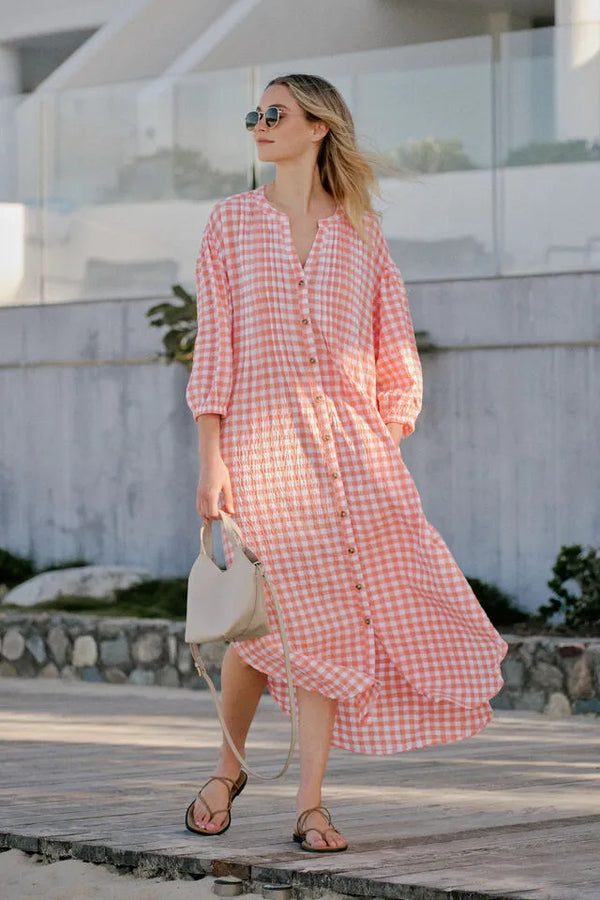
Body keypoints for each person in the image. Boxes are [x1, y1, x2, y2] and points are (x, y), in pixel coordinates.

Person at [184, 73, 508, 853]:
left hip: (353, 464)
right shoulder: (229, 226)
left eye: (277, 113)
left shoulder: (361, 230)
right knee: (258, 627)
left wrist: (378, 437)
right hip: (261, 461)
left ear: (319, 127)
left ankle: (311, 804)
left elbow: (393, 346)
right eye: (255, 114)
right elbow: (215, 352)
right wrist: (212, 462)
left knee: (323, 629)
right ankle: (227, 770)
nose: (260, 124)